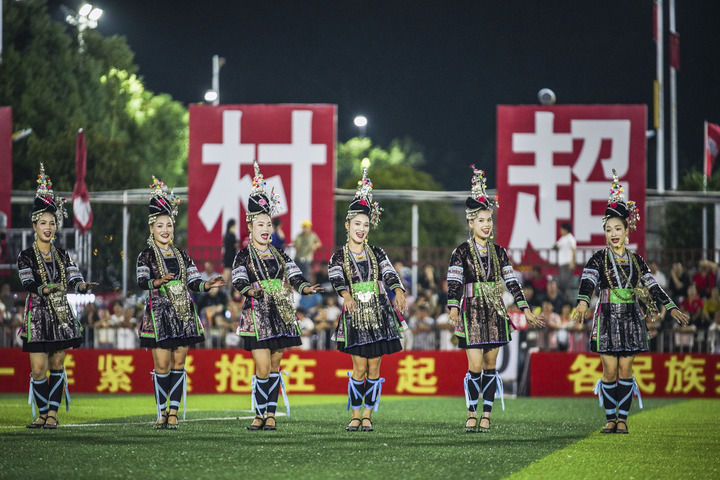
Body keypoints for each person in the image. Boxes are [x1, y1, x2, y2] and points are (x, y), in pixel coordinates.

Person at [572, 170, 688, 434]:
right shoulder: (598, 258)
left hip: (630, 317)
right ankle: (610, 418)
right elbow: (588, 281)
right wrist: (582, 302)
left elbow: (653, 286)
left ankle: (622, 419)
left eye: (618, 229)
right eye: (608, 229)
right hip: (606, 316)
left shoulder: (637, 260)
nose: (613, 234)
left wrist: (671, 307)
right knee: (609, 370)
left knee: (625, 369)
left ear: (627, 231)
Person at [447, 166, 543, 433]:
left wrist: (525, 308)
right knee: (475, 365)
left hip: (495, 312)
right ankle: (471, 412)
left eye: (489, 220)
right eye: (481, 220)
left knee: (490, 365)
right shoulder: (461, 252)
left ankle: (486, 414)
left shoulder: (500, 252)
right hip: (471, 312)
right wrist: (453, 306)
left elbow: (512, 282)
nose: (486, 225)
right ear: (470, 223)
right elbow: (454, 281)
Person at [232, 161, 322, 431]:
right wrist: (251, 290)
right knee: (261, 367)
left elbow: (294, 275)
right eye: (260, 224)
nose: (265, 228)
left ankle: (269, 415)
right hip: (256, 314)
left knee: (274, 365)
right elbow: (238, 280)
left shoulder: (280, 254)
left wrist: (305, 287)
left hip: (280, 313)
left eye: (268, 224)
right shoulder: (243, 256)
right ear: (250, 226)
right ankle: (259, 413)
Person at [136, 177, 225, 429]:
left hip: (183, 313)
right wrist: (158, 281)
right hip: (158, 314)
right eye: (160, 225)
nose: (165, 230)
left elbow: (194, 281)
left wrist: (207, 285)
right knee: (162, 365)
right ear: (151, 228)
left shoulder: (182, 255)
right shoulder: (146, 255)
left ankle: (173, 412)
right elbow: (141, 281)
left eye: (169, 225)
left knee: (178, 363)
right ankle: (161, 411)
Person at [19, 164, 97, 429]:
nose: (48, 227)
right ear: (35, 225)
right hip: (37, 315)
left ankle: (52, 413)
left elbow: (74, 276)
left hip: (61, 314)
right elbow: (28, 282)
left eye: (52, 223)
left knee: (57, 364)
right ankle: (42, 413)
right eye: (43, 222)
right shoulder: (26, 256)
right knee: (38, 369)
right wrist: (44, 289)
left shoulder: (63, 254)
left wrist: (82, 286)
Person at [328, 168, 407, 432]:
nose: (361, 229)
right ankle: (354, 415)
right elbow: (336, 276)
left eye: (365, 224)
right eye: (357, 224)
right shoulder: (338, 256)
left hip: (378, 312)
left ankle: (368, 416)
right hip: (355, 315)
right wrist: (346, 294)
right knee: (359, 368)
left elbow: (389, 272)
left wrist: (398, 291)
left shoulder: (377, 252)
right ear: (347, 225)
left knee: (374, 368)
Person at [555, 221, 577, 300]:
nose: (560, 231)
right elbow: (556, 246)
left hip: (567, 264)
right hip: (562, 264)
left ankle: (568, 300)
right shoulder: (562, 239)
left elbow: (574, 250)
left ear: (565, 230)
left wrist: (572, 262)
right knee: (561, 283)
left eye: (561, 229)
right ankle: (564, 299)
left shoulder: (570, 238)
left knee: (565, 284)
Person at [223, 219, 238, 287]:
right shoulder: (232, 235)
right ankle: (222, 289)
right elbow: (234, 245)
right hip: (231, 256)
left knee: (229, 275)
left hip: (227, 256)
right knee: (228, 275)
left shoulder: (226, 235)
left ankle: (227, 289)